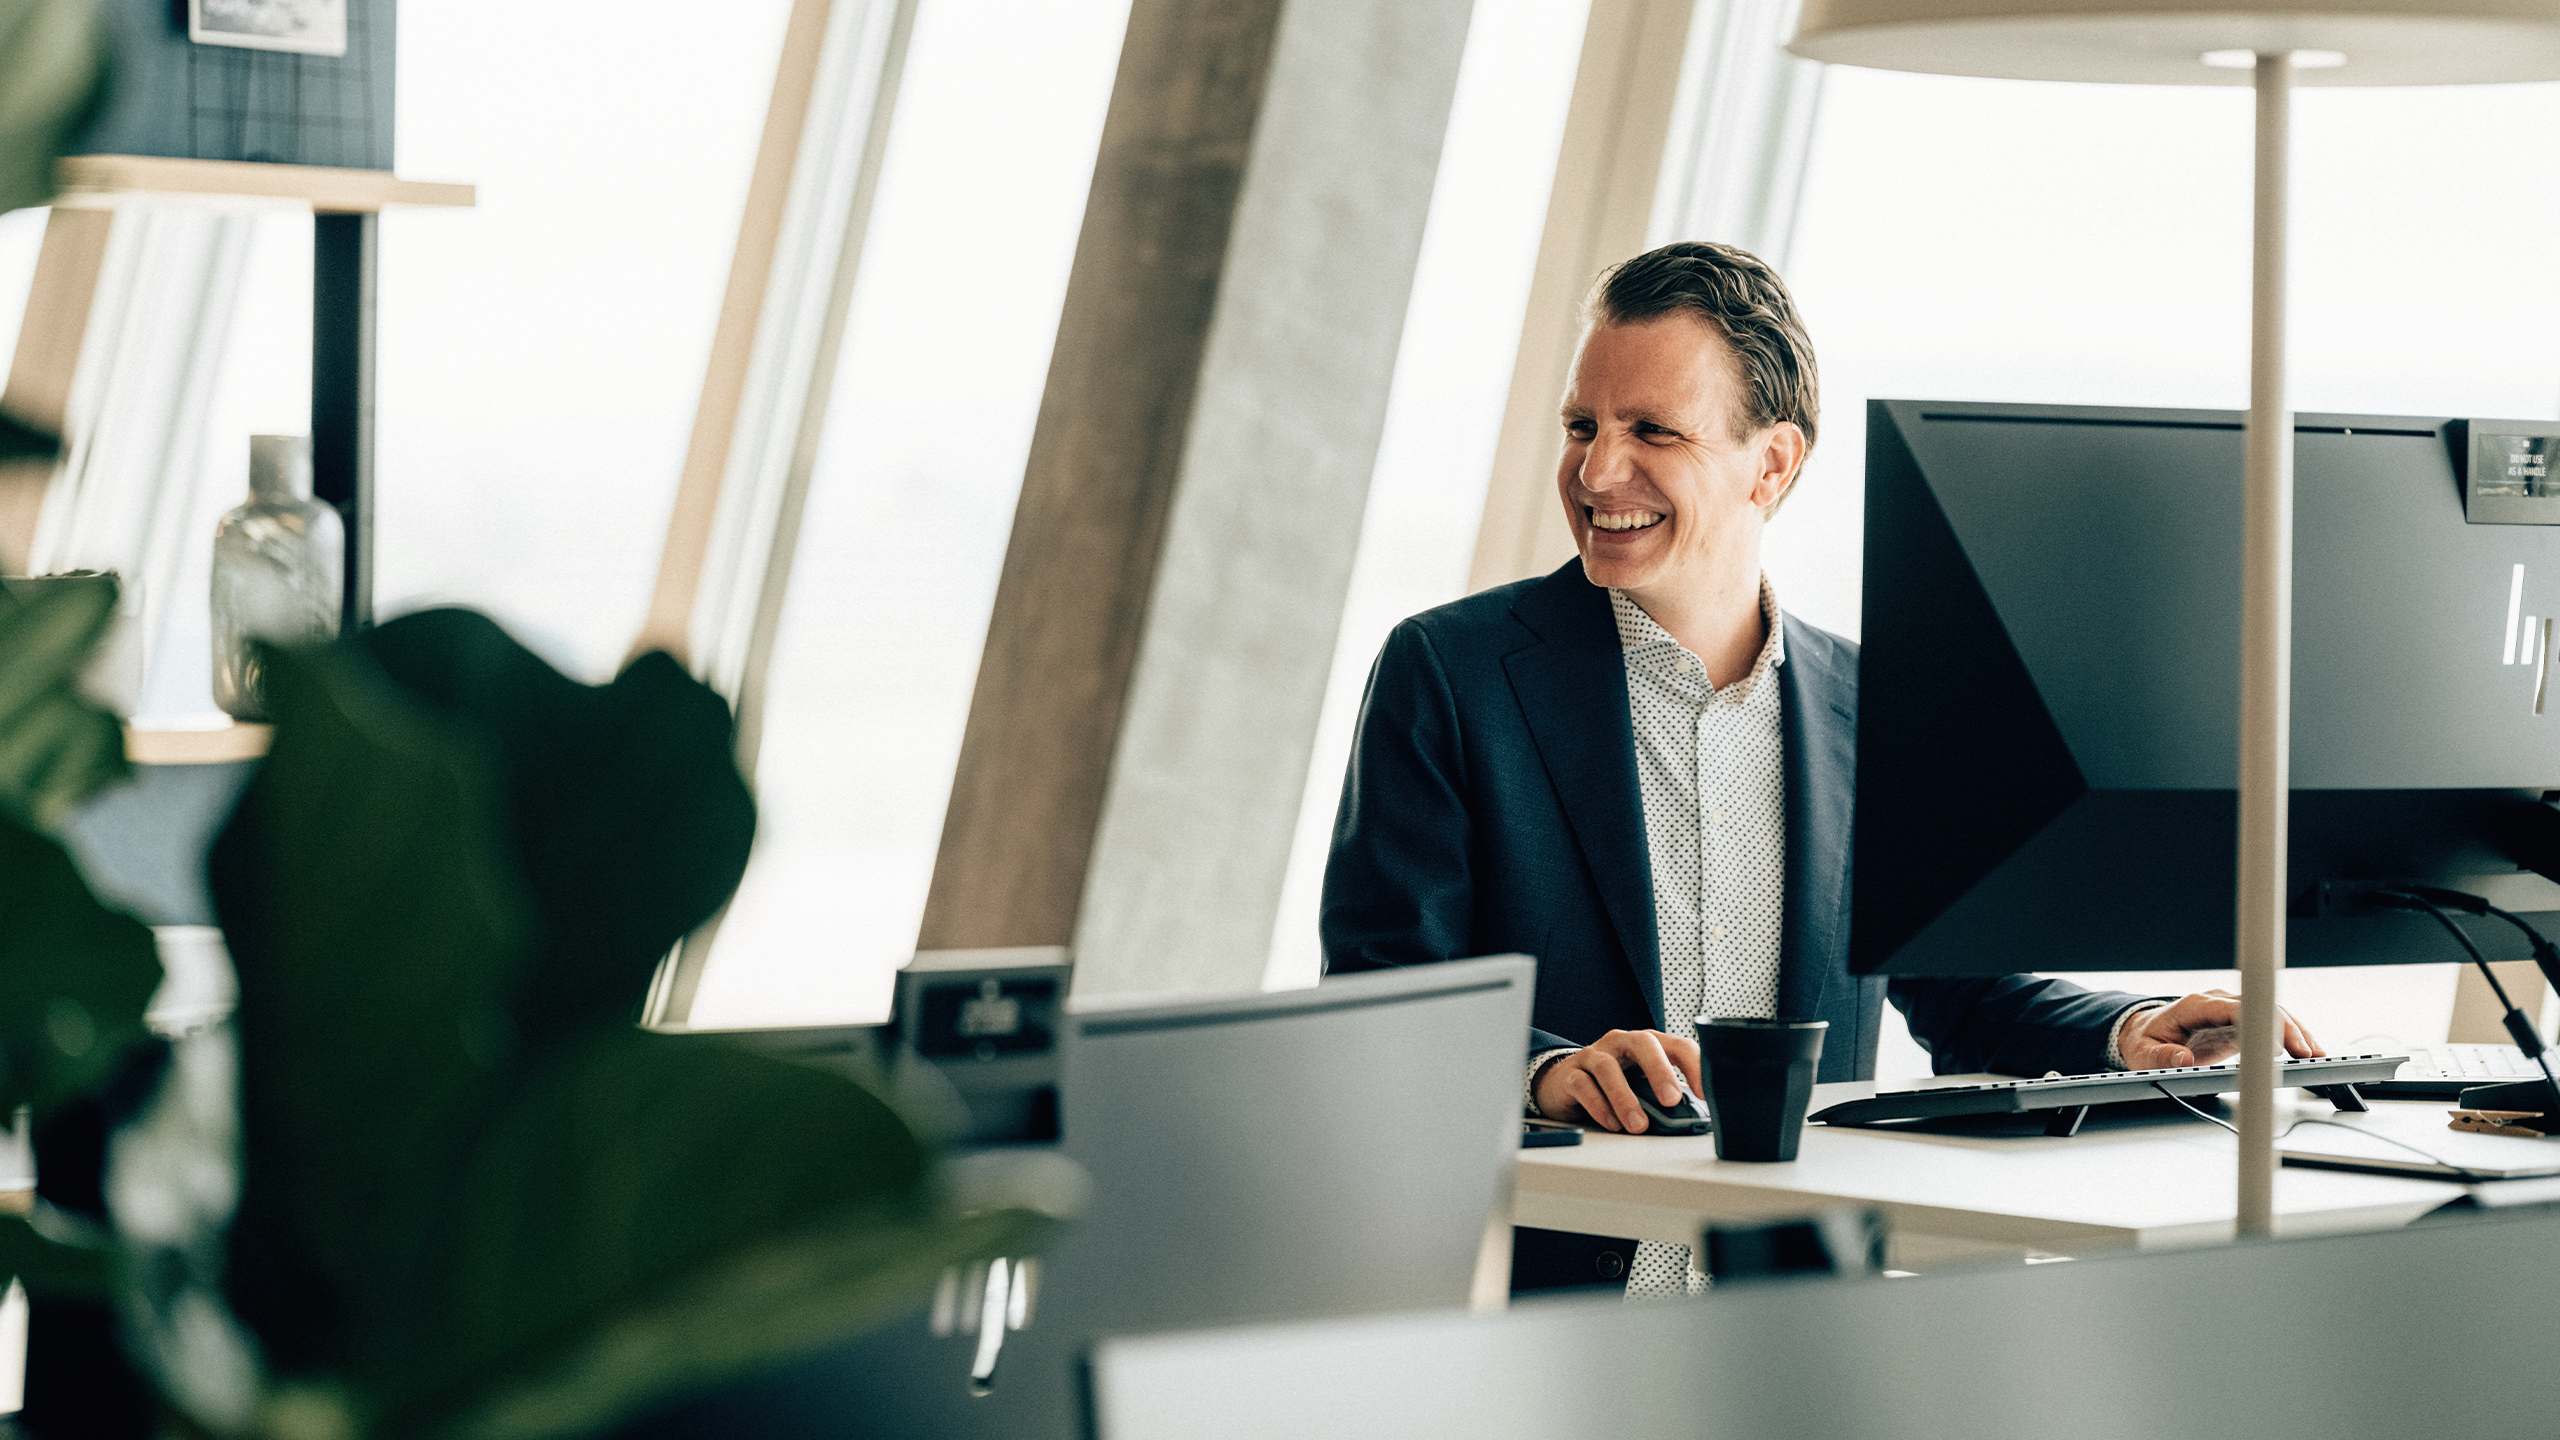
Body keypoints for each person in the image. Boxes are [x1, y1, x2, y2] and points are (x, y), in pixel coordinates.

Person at [1319, 241, 2323, 1298]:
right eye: (1582, 426)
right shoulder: (1451, 672)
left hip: (1787, 1316)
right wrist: (1546, 1070)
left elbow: (1968, 995)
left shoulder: (1878, 709)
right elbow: (1383, 996)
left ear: (1773, 464)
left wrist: (2128, 1030)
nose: (1597, 471)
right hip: (1525, 1299)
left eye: (1651, 430)